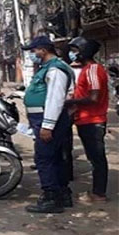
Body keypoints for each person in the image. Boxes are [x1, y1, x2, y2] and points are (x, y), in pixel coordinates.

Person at [22, 36, 75, 213]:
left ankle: (51, 197)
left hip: (47, 119)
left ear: (43, 50)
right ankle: (62, 193)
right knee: (55, 157)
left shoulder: (55, 70)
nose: (33, 54)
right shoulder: (48, 68)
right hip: (45, 118)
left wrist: (48, 126)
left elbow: (55, 99)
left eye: (34, 51)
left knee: (44, 159)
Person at [65, 37, 109, 203]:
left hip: (92, 120)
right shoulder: (86, 69)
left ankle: (99, 194)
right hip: (85, 119)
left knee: (97, 158)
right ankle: (98, 192)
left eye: (75, 51)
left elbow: (94, 97)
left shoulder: (92, 69)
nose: (73, 54)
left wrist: (70, 102)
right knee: (94, 157)